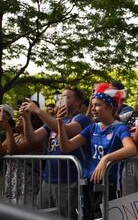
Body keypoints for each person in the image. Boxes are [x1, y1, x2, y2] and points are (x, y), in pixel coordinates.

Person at [57, 83, 137, 219]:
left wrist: (106, 159)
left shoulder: (119, 128)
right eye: (92, 105)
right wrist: (59, 123)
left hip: (109, 184)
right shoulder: (92, 128)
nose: (93, 109)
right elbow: (66, 147)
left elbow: (132, 148)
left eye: (97, 105)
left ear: (110, 107)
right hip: (88, 183)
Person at [21, 87, 91, 219]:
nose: (61, 100)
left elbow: (66, 130)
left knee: (67, 216)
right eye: (61, 97)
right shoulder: (53, 120)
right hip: (48, 179)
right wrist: (26, 118)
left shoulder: (82, 119)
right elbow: (32, 137)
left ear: (78, 102)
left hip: (69, 180)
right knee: (42, 216)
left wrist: (38, 111)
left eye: (67, 97)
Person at [0, 103, 43, 205]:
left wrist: (7, 128)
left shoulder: (35, 139)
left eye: (23, 117)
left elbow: (13, 151)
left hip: (27, 187)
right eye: (19, 116)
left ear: (31, 121)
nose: (19, 118)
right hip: (12, 184)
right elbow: (1, 151)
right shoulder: (16, 136)